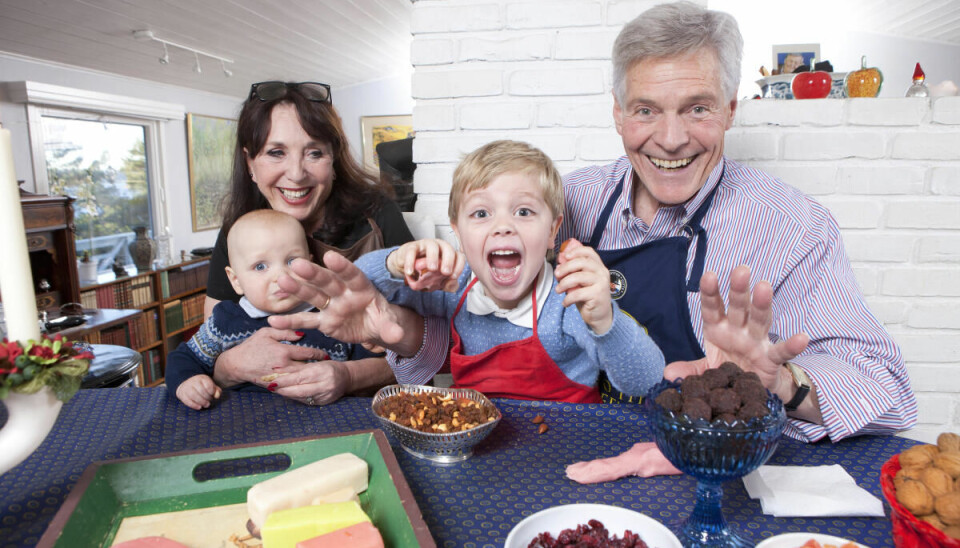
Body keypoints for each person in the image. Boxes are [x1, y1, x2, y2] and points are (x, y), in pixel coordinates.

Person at [268, 2, 917, 444]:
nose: (670, 139)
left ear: (730, 107)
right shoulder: (560, 204)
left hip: (723, 463)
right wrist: (396, 297)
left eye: (695, 108)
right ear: (615, 112)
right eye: (645, 110)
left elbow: (887, 391)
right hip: (569, 447)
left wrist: (782, 383)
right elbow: (465, 313)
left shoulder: (793, 225)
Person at [354, 140, 665, 403]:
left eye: (524, 211)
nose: (503, 226)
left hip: (568, 449)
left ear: (552, 231)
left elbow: (645, 381)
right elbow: (357, 287)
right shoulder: (453, 286)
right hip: (477, 446)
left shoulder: (567, 301)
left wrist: (604, 320)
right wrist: (396, 262)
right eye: (481, 213)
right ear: (458, 233)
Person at [203, 81, 413, 405]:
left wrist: (349, 376)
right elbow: (210, 349)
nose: (297, 174)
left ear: (333, 160)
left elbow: (426, 346)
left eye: (314, 152)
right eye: (276, 153)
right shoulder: (237, 230)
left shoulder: (378, 216)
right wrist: (231, 366)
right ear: (249, 164)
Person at [168, 210, 377, 410]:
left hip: (323, 424)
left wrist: (372, 341)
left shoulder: (332, 316)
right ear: (235, 280)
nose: (281, 277)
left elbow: (370, 364)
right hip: (244, 426)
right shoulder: (225, 320)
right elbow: (184, 358)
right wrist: (189, 382)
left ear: (311, 265)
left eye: (292, 261)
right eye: (260, 267)